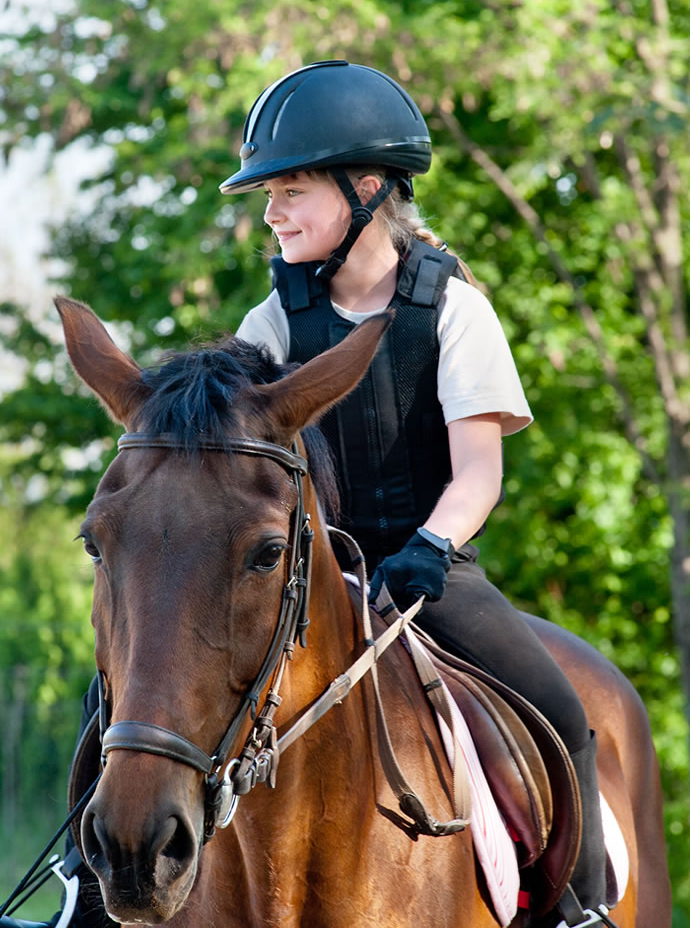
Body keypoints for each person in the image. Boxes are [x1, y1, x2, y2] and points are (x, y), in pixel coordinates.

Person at [220, 60, 616, 928]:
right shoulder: (271, 325)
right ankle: (91, 890)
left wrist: (430, 549)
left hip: (427, 568)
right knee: (138, 691)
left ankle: (577, 908)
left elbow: (479, 470)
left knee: (561, 709)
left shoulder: (453, 311)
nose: (271, 213)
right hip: (308, 575)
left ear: (365, 189)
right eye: (267, 197)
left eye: (288, 191)